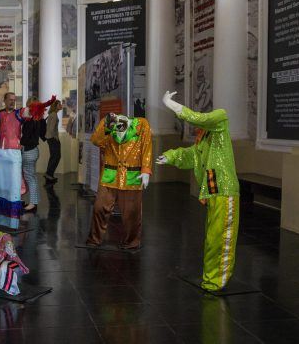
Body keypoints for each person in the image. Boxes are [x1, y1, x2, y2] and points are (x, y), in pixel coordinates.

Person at [157, 91, 239, 291]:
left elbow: (199, 118)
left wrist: (173, 105)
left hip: (224, 190)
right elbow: (190, 155)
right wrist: (170, 156)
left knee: (222, 238)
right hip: (212, 191)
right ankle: (210, 279)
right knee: (212, 238)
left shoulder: (220, 120)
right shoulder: (202, 141)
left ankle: (217, 281)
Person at [86, 113, 152, 250]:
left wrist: (146, 170)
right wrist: (107, 127)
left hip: (132, 176)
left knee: (132, 213)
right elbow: (96, 141)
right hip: (110, 175)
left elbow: (147, 148)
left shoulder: (141, 125)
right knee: (99, 208)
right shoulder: (107, 122)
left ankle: (132, 242)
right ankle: (94, 239)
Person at [0, 92, 25, 228]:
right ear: (4, 100)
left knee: (14, 188)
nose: (12, 102)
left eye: (14, 100)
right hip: (1, 154)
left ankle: (13, 223)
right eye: (10, 100)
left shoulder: (19, 114)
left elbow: (31, 112)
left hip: (14, 154)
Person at [20, 97, 46, 213]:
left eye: (28, 106)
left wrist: (20, 143)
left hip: (28, 151)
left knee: (30, 178)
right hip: (34, 150)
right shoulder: (39, 119)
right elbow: (43, 135)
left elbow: (26, 136)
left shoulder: (31, 120)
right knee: (32, 177)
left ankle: (32, 204)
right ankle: (34, 201)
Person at [45, 100, 62, 184]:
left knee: (54, 156)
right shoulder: (54, 115)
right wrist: (56, 139)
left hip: (50, 138)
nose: (61, 105)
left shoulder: (52, 114)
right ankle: (49, 174)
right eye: (59, 104)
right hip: (53, 138)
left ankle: (49, 173)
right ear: (56, 106)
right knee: (56, 156)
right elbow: (51, 129)